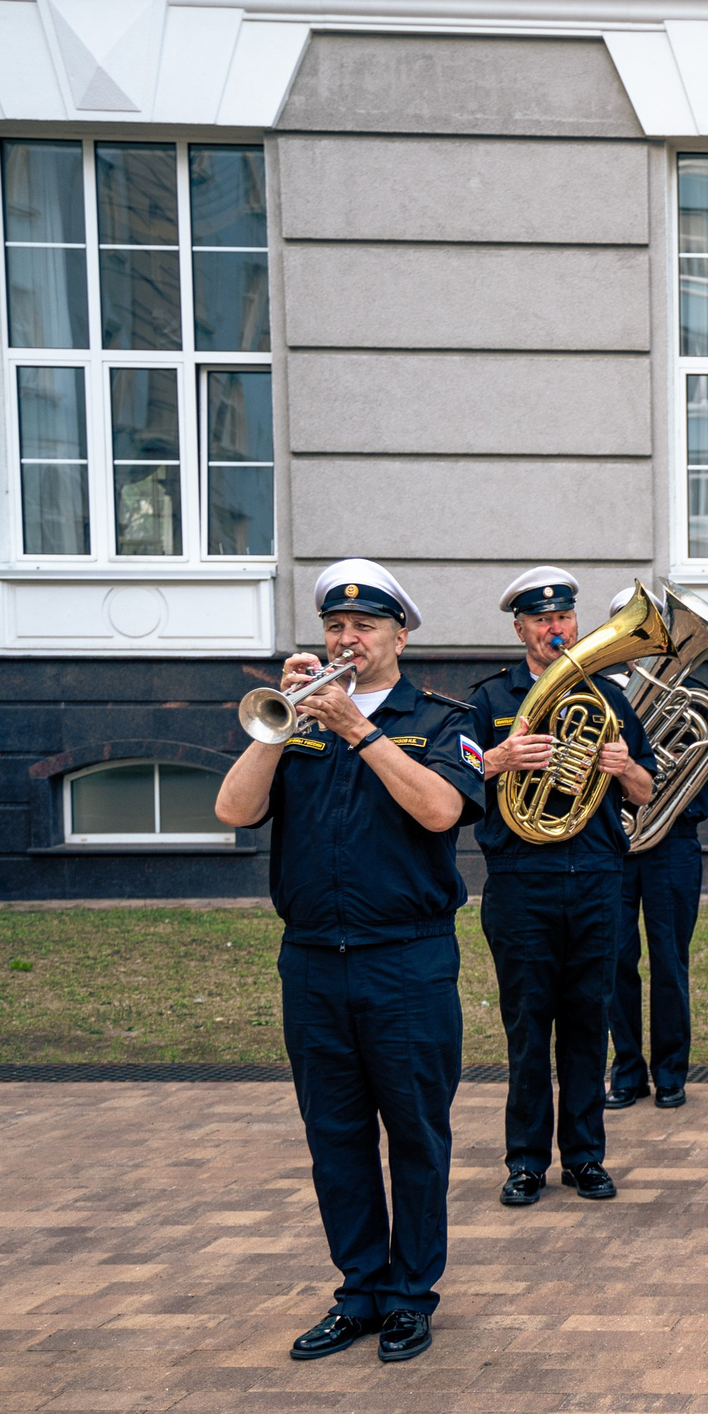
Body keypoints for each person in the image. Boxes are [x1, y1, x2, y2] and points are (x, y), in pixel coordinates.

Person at [213, 559, 483, 1366]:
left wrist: (360, 730)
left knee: (414, 1136)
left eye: (364, 626)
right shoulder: (294, 720)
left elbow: (440, 810)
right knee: (333, 1135)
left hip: (407, 961)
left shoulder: (439, 719)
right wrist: (280, 720)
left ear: (402, 634)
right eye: (335, 626)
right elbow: (235, 809)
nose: (346, 639)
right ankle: (359, 1289)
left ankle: (411, 1295)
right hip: (313, 961)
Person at [472, 568, 658, 1208]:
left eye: (565, 618)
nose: (557, 629)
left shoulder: (611, 698)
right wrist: (499, 761)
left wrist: (623, 765)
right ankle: (525, 1161)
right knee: (527, 1026)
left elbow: (646, 790)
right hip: (522, 881)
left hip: (598, 879)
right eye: (542, 619)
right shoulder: (490, 702)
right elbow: (458, 785)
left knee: (588, 1022)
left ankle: (584, 1157)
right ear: (519, 627)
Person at [603, 583, 708, 1113]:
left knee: (669, 961)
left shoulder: (693, 689)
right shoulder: (596, 692)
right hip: (614, 843)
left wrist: (679, 760)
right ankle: (625, 1073)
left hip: (672, 841)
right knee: (614, 961)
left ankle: (670, 1074)